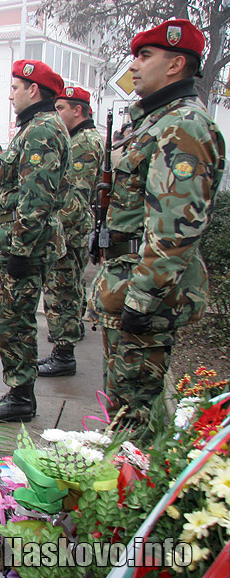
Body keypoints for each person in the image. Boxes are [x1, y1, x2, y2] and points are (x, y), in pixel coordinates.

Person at [89, 19, 225, 430]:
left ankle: (136, 490)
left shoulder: (183, 126)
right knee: (126, 408)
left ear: (175, 65)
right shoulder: (158, 120)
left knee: (135, 421)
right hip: (129, 282)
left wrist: (142, 301)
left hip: (145, 292)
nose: (134, 65)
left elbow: (175, 229)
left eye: (145, 56)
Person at [0, 60, 69, 422]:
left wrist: (19, 249)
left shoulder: (42, 131)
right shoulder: (35, 127)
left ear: (34, 90)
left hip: (26, 247)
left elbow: (35, 199)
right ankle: (19, 391)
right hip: (23, 243)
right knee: (14, 320)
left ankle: (21, 398)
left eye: (15, 87)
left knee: (14, 322)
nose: (10, 94)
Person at [39, 87, 104, 377]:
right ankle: (64, 349)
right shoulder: (79, 139)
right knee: (69, 290)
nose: (57, 114)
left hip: (69, 233)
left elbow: (74, 198)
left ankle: (64, 355)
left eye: (61, 108)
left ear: (78, 110)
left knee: (62, 292)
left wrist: (52, 232)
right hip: (73, 231)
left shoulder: (84, 144)